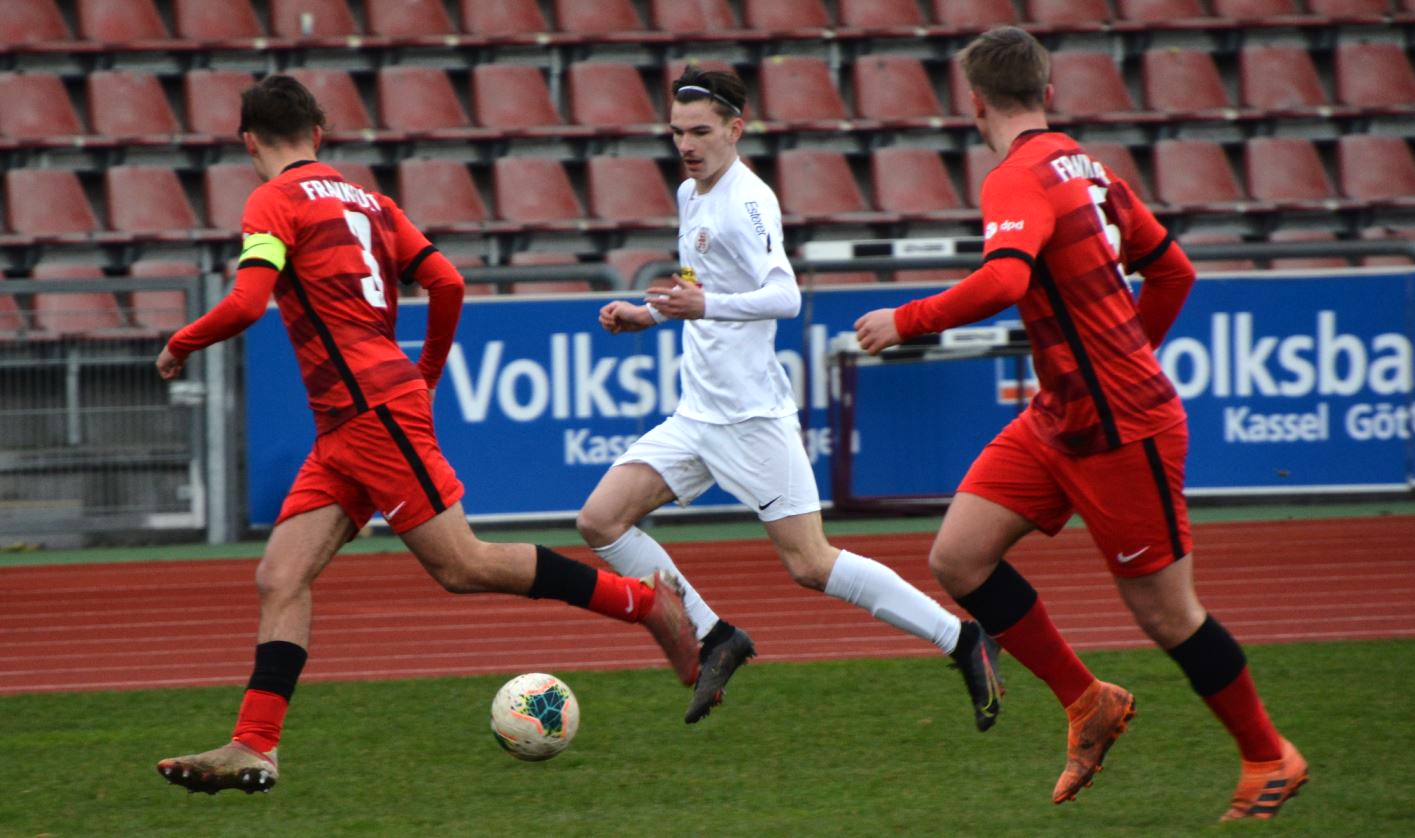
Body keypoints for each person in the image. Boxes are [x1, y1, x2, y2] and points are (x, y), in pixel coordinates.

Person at [152, 76, 698, 795]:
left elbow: (249, 302)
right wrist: (428, 375)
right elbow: (447, 282)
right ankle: (254, 746)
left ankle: (644, 601)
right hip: (349, 421)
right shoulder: (372, 203)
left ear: (247, 141)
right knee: (280, 576)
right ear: (318, 135)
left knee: (462, 565)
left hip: (370, 411)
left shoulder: (273, 201)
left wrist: (181, 343)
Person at [854, 27, 1307, 822]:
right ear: (1047, 91)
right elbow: (1171, 270)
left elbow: (1004, 279)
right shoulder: (1086, 167)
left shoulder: (1014, 177)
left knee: (1166, 614)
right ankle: (1087, 701)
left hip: (1121, 427)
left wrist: (906, 319)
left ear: (973, 101)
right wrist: (1122, 353)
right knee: (958, 558)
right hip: (1060, 416)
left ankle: (1269, 756)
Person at [577, 67, 1004, 729]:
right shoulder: (691, 192)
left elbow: (785, 296)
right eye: (677, 132)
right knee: (600, 521)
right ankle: (715, 637)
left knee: (810, 563)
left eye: (700, 132)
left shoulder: (749, 201)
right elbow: (701, 284)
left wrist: (704, 306)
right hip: (698, 413)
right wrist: (649, 313)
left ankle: (962, 639)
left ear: (735, 129)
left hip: (750, 418)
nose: (686, 145)